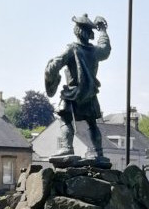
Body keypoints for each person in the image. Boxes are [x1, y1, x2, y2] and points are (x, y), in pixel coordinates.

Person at [45, 13, 111, 165]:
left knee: (65, 119)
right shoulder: (95, 51)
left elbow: (55, 65)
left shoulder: (72, 49)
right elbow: (105, 48)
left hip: (73, 93)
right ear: (90, 33)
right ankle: (99, 153)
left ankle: (67, 148)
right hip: (90, 94)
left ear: (77, 30)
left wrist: (52, 75)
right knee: (92, 124)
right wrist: (103, 31)